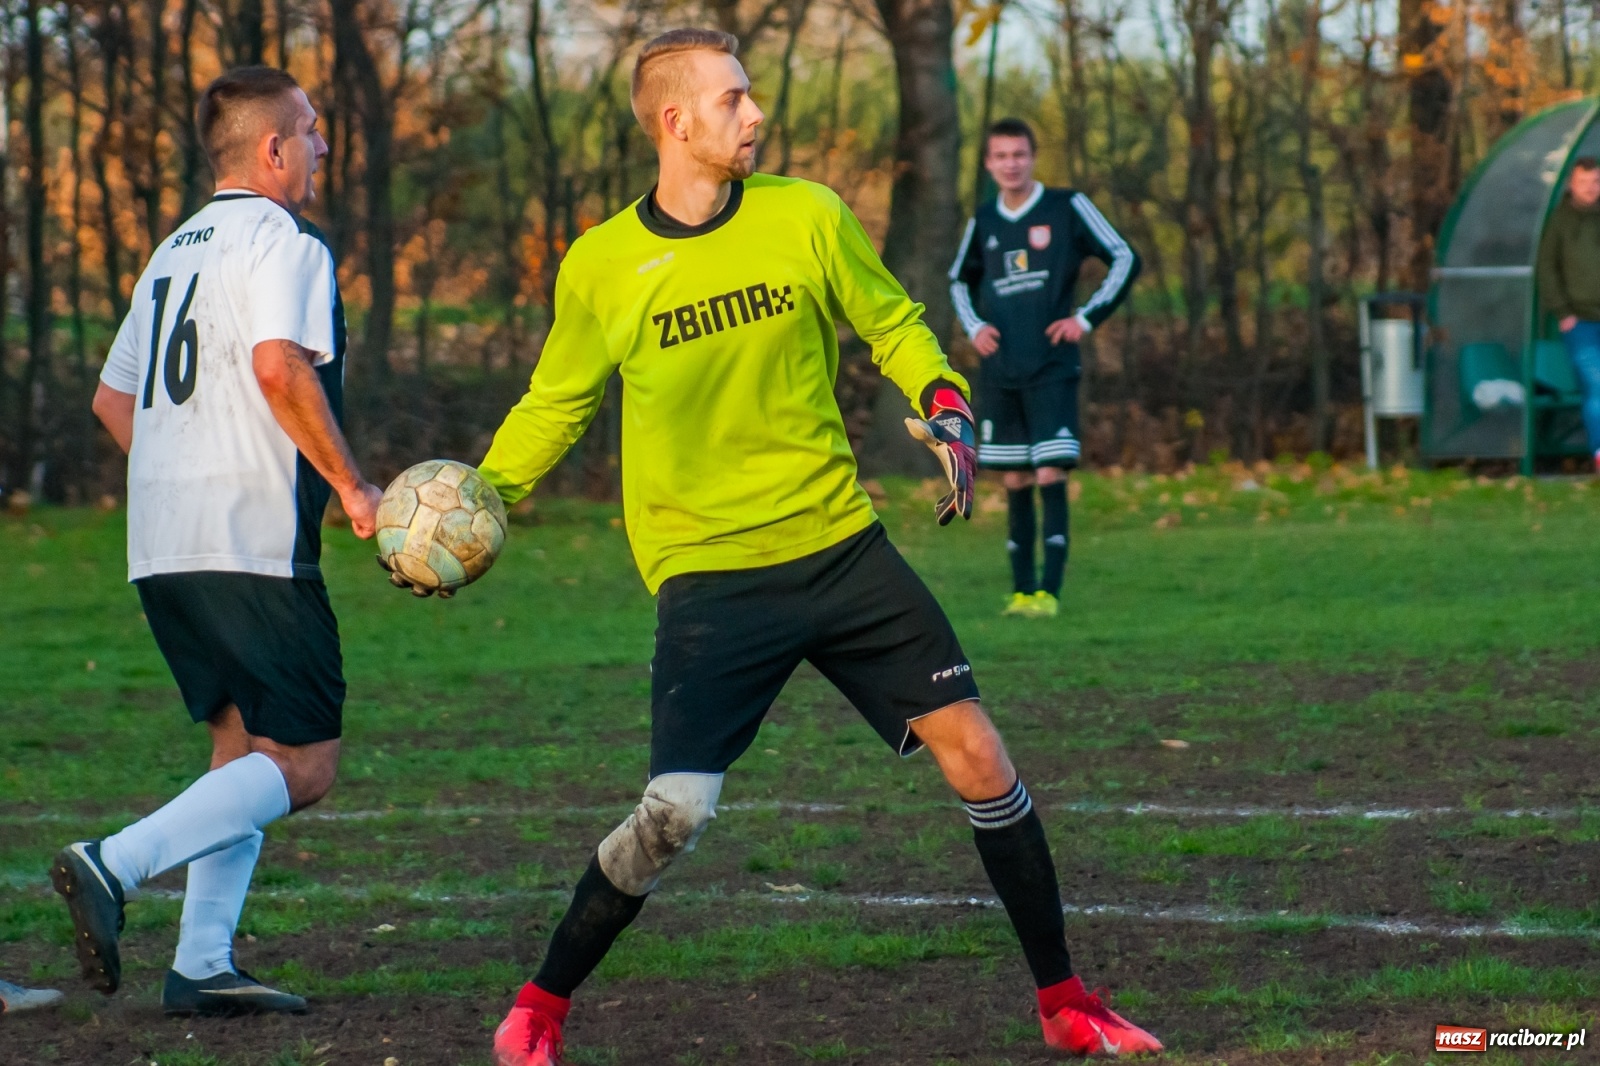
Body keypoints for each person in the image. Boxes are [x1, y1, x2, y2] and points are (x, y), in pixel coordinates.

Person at [479, 29, 1161, 1066]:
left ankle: (1064, 999)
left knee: (977, 751)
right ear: (674, 121)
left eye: (752, 95)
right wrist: (478, 498)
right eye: (733, 98)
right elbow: (556, 402)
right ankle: (539, 1005)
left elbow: (891, 322)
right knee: (673, 816)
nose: (756, 115)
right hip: (710, 578)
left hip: (841, 551)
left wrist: (940, 398)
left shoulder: (807, 214)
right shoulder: (603, 262)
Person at [51, 66, 383, 1017]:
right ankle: (113, 864)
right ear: (273, 149)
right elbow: (278, 367)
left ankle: (202, 962)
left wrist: (183, 474)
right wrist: (351, 487)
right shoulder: (284, 239)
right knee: (306, 763)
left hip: (162, 541)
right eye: (312, 132)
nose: (322, 146)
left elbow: (113, 401)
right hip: (249, 541)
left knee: (240, 748)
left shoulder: (170, 252)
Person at [949, 118, 1140, 618]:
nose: (1011, 164)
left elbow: (1124, 257)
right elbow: (958, 282)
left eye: (1019, 154)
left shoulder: (1067, 207)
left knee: (1051, 470)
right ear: (989, 164)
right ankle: (1022, 590)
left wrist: (1086, 318)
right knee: (1014, 479)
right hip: (1002, 370)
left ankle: (1050, 594)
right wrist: (974, 328)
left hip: (1053, 365)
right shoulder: (985, 220)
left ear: (1033, 157)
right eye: (1001, 156)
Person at [1537, 156, 1600, 473]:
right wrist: (1563, 312)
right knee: (1596, 386)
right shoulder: (1559, 222)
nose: (1590, 188)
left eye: (1596, 182)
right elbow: (1547, 269)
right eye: (1584, 182)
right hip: (1580, 322)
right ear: (1571, 184)